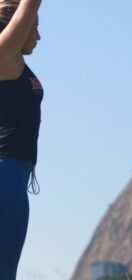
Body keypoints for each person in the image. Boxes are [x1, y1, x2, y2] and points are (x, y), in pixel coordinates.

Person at [0, 0, 43, 278]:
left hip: (14, 178)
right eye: (34, 28)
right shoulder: (3, 55)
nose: (38, 36)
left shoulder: (13, 62)